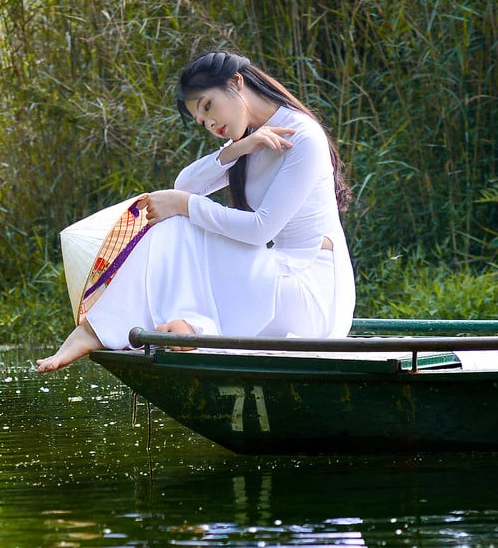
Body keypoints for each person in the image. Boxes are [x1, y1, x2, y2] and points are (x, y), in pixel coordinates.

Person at [35, 51, 355, 372]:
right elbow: (185, 184)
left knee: (179, 223)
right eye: (202, 122)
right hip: (279, 279)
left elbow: (261, 229)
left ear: (236, 82)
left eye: (207, 106)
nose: (211, 124)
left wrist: (186, 206)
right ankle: (177, 328)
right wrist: (239, 148)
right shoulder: (253, 139)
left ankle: (102, 331)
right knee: (176, 222)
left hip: (313, 295)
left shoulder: (303, 137)